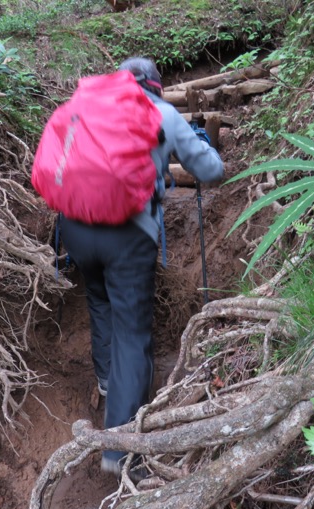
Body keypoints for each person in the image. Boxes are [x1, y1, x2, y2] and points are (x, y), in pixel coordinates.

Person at [59, 57, 224, 476]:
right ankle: (119, 449)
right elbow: (210, 170)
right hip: (127, 236)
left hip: (76, 229)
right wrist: (200, 144)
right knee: (134, 333)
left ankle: (106, 381)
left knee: (99, 302)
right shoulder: (161, 112)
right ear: (156, 85)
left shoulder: (84, 107)